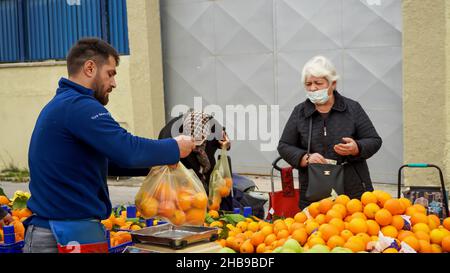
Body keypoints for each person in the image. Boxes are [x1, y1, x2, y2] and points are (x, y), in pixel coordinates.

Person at [24, 38, 195, 253]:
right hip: (60, 234)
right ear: (89, 68)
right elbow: (127, 150)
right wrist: (174, 147)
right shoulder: (79, 106)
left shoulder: (67, 105)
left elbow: (110, 161)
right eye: (110, 73)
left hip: (67, 230)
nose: (114, 83)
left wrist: (156, 164)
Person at [277, 56, 382, 209]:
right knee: (317, 231)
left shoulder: (352, 108)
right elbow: (284, 146)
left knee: (356, 228)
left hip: (353, 190)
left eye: (318, 83)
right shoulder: (300, 112)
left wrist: (356, 147)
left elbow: (374, 140)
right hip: (314, 192)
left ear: (333, 83)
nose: (312, 88)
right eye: (308, 84)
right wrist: (305, 157)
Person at [158, 111, 233, 210]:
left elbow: (225, 143)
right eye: (194, 142)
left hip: (206, 168)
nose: (197, 146)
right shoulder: (170, 136)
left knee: (213, 199)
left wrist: (225, 144)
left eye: (202, 140)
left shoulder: (213, 126)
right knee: (187, 202)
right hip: (183, 173)